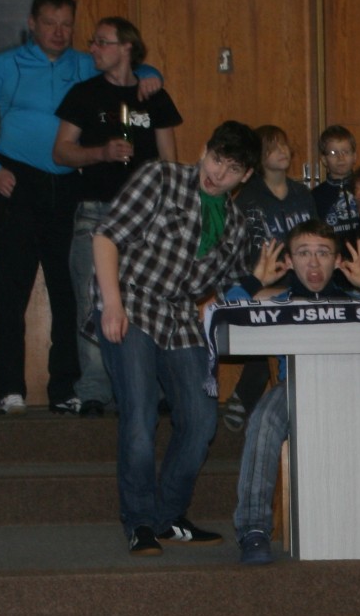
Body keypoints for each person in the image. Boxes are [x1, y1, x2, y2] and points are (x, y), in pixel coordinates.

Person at [0, 0, 159, 414]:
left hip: (71, 185)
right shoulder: (4, 65)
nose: (59, 31)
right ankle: (7, 388)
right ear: (32, 24)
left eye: (67, 24)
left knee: (70, 291)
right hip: (18, 182)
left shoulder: (85, 63)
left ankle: (65, 387)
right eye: (50, 23)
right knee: (11, 289)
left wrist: (152, 75)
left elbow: (133, 67)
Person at [92, 121, 265, 556]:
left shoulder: (236, 225)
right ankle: (139, 522)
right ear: (204, 150)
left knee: (202, 421)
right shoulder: (162, 177)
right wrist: (111, 304)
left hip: (179, 315)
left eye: (231, 169)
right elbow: (106, 236)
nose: (217, 173)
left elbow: (231, 290)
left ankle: (167, 516)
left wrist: (277, 287)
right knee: (139, 416)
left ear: (245, 176)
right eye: (216, 159)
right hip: (131, 301)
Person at [227, 219, 360, 566]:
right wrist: (255, 281)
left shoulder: (358, 301)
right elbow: (227, 313)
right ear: (289, 261)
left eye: (323, 253)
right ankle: (254, 529)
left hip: (357, 389)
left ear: (337, 261)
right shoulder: (279, 303)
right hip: (297, 388)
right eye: (303, 253)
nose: (313, 263)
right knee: (264, 419)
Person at [54, 16, 183, 417]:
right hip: (96, 210)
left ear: (127, 47)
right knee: (91, 300)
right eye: (93, 42)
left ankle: (152, 389)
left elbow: (170, 160)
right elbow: (61, 151)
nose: (93, 48)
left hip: (146, 216)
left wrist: (171, 212)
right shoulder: (84, 94)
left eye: (102, 42)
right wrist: (100, 153)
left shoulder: (153, 96)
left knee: (146, 300)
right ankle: (94, 390)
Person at [227, 124, 317, 429]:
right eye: (274, 146)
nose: (283, 151)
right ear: (260, 155)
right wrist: (251, 282)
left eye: (285, 145)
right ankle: (249, 395)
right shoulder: (247, 199)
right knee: (273, 325)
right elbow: (237, 248)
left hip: (302, 280)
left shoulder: (302, 193)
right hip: (261, 281)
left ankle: (250, 395)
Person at [311, 125, 360, 239]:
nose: (340, 158)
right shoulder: (316, 196)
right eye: (333, 153)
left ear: (354, 156)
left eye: (345, 152)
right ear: (324, 159)